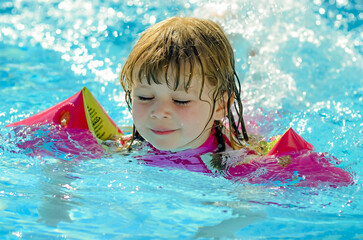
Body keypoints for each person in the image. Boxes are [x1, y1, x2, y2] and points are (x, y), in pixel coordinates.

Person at [119, 17, 255, 160]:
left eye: (180, 100)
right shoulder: (127, 146)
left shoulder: (236, 161)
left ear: (220, 105)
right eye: (144, 97)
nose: (159, 113)